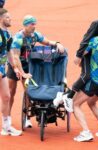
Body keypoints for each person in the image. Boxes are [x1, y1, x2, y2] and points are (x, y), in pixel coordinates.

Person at [7, 15, 65, 128]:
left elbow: (47, 42)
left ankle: (27, 118)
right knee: (11, 92)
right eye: (31, 24)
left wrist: (57, 43)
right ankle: (8, 117)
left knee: (29, 92)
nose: (34, 26)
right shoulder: (18, 38)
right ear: (25, 25)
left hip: (28, 65)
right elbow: (15, 57)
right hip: (15, 65)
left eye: (35, 24)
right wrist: (22, 72)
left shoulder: (35, 35)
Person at [53, 17, 98, 112]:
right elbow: (85, 40)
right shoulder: (95, 24)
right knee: (86, 75)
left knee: (89, 77)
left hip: (96, 56)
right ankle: (69, 96)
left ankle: (62, 95)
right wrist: (79, 56)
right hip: (87, 53)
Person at [0, 8, 22, 136]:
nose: (10, 19)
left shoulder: (7, 34)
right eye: (7, 17)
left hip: (2, 69)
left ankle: (6, 127)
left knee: (7, 97)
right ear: (1, 19)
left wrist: (14, 68)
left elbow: (9, 53)